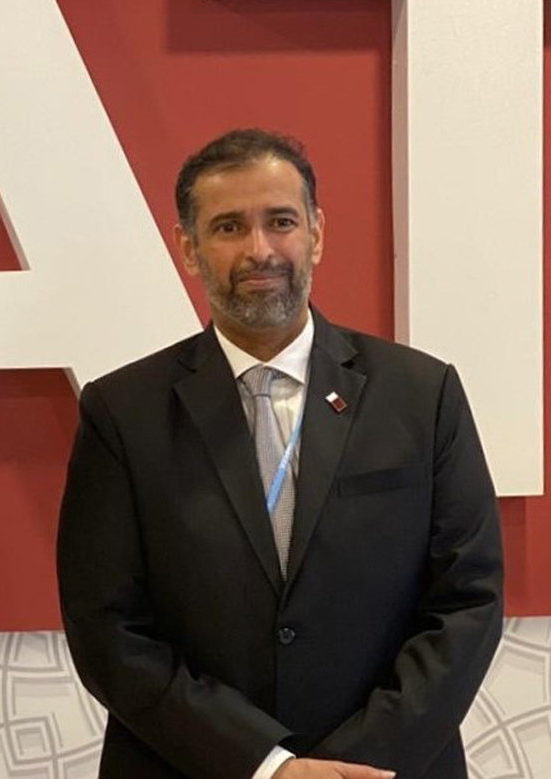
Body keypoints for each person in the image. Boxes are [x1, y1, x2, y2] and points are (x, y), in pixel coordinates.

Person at [57, 129, 502, 779]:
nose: (259, 249)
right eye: (230, 226)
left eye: (281, 221)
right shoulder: (122, 412)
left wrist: (348, 766)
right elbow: (108, 629)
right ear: (188, 247)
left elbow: (469, 598)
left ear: (317, 232)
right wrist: (268, 766)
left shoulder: (421, 394)